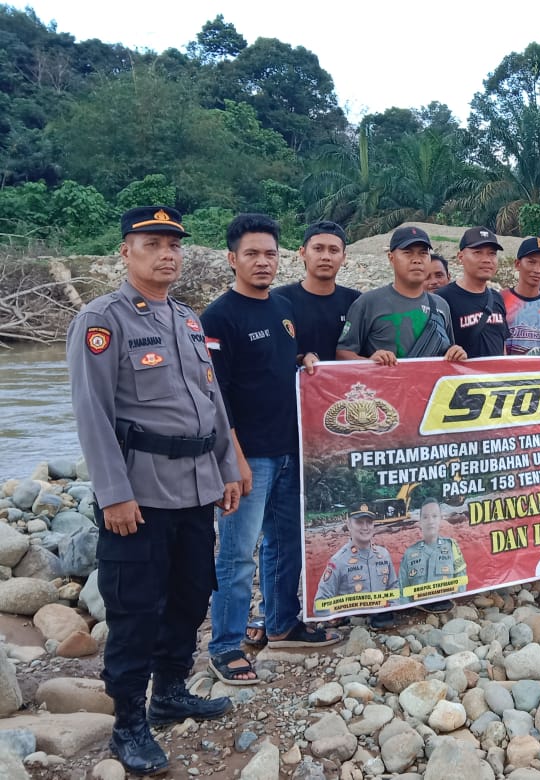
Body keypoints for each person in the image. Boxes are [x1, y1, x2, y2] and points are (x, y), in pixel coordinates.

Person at [67, 206, 241, 775]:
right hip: (138, 496)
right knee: (135, 609)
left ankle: (169, 692)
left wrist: (226, 467)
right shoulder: (103, 320)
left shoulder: (188, 320)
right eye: (153, 243)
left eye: (174, 244)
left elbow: (210, 401)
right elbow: (92, 414)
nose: (167, 253)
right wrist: (113, 492)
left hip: (195, 489)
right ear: (126, 250)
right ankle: (128, 724)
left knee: (192, 596)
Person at [203, 214, 340, 688]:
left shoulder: (280, 308)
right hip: (249, 456)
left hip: (289, 449)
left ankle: (282, 623)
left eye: (269, 254)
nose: (262, 262)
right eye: (251, 254)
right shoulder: (218, 317)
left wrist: (303, 358)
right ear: (232, 259)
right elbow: (215, 398)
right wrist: (234, 460)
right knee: (237, 554)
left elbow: (285, 361)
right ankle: (224, 645)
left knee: (285, 544)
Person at [335, 225, 466, 364]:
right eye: (408, 253)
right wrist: (369, 362)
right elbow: (343, 353)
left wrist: (455, 353)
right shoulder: (368, 303)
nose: (417, 260)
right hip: (385, 384)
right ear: (391, 258)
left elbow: (447, 350)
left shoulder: (441, 305)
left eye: (423, 253)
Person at [272, 220, 360, 360]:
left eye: (334, 250)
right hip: (295, 381)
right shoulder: (278, 300)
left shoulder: (357, 302)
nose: (325, 257)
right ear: (302, 253)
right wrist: (301, 358)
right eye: (318, 249)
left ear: (343, 258)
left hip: (346, 381)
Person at [313, 502, 399, 622]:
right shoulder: (339, 560)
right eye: (359, 522)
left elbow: (393, 588)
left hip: (381, 623)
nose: (365, 527)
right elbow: (320, 605)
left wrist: (390, 610)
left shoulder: (383, 555)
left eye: (369, 522)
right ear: (349, 525)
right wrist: (343, 619)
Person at [436, 227, 510, 358]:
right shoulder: (442, 299)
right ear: (461, 257)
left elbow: (501, 344)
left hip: (495, 378)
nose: (486, 259)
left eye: (492, 253)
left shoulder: (497, 297)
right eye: (477, 252)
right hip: (461, 377)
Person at [398, 498, 468, 613]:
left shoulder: (451, 546)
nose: (430, 521)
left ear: (441, 519)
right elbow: (402, 588)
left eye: (434, 516)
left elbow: (461, 580)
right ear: (420, 521)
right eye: (425, 517)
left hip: (448, 610)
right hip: (418, 611)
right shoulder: (410, 553)